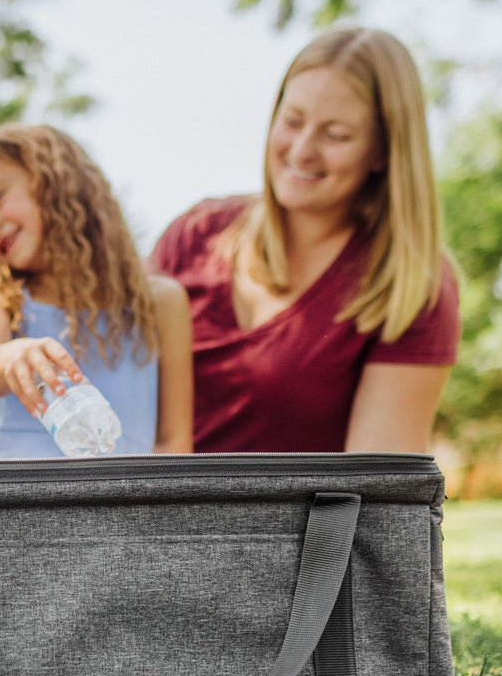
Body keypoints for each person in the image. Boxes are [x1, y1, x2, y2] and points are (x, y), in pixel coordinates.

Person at [148, 28, 460, 454]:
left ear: (382, 152)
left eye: (335, 135)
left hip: (303, 524)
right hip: (157, 519)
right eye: (292, 121)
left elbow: (377, 494)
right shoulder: (195, 235)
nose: (301, 150)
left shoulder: (408, 285)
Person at [0, 124, 192, 457]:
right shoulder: (1, 294)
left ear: (50, 184)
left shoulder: (161, 302)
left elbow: (173, 441)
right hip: (10, 499)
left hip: (120, 505)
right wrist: (12, 355)